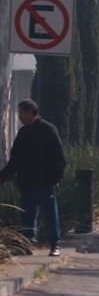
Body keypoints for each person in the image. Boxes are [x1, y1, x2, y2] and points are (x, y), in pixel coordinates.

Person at [0, 100, 67, 257]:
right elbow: (15, 160)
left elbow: (59, 158)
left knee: (50, 215)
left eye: (21, 113)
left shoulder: (48, 130)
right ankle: (28, 244)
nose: (19, 116)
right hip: (26, 183)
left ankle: (55, 244)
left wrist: (55, 179)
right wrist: (3, 177)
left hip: (45, 182)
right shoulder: (23, 133)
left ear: (31, 112)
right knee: (27, 215)